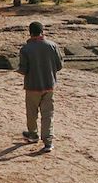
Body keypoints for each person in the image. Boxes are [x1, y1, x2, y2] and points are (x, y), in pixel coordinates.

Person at [17, 21, 63, 153]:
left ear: (30, 33)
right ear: (43, 31)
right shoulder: (53, 46)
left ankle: (33, 134)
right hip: (49, 85)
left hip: (32, 86)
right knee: (48, 114)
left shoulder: (25, 49)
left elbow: (24, 69)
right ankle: (48, 142)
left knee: (32, 113)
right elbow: (59, 66)